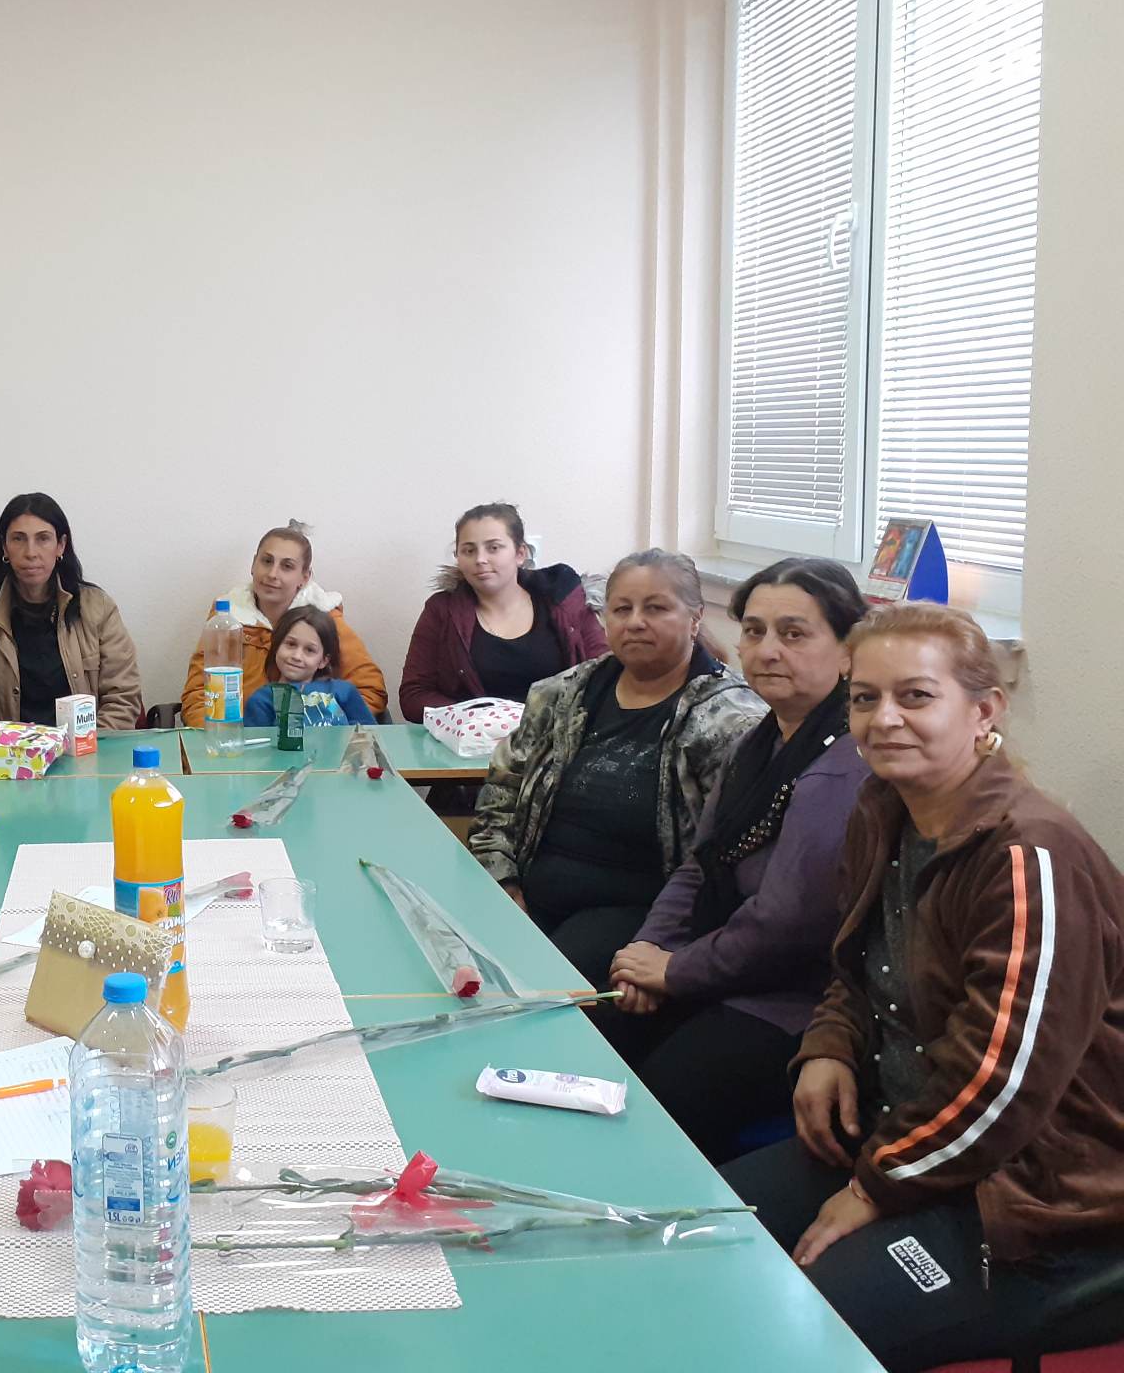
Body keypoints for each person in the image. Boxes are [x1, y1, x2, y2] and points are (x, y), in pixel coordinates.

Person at [723, 604, 1124, 1373]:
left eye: (915, 696)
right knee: (708, 1237)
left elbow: (1003, 1082)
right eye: (865, 698)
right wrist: (829, 1045)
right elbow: (857, 964)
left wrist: (876, 1189)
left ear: (984, 711)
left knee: (794, 1332)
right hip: (903, 1129)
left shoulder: (1029, 858)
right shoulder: (884, 810)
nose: (884, 720)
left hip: (1028, 1189)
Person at [597, 558, 870, 1161]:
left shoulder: (844, 766)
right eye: (754, 631)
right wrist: (648, 951)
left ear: (848, 650)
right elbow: (700, 864)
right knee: (598, 1031)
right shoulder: (761, 739)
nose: (768, 650)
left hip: (799, 1001)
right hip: (722, 962)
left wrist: (674, 971)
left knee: (660, 1101)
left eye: (794, 634)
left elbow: (784, 925)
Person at [467, 548, 762, 987]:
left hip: (639, 917)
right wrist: (503, 883)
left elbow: (722, 862)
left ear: (695, 618)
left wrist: (659, 947)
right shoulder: (560, 695)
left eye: (656, 608)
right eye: (622, 609)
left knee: (536, 988)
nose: (635, 622)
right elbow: (502, 792)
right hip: (529, 894)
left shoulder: (730, 722)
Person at [0, 492, 142, 730]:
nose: (31, 552)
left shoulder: (98, 608)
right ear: (4, 547)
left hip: (89, 748)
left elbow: (122, 698)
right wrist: (8, 746)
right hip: (9, 751)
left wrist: (86, 745)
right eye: (18, 539)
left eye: (43, 539)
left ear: (61, 545)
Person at [399, 502, 607, 719]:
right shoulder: (441, 610)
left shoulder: (566, 600)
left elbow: (606, 681)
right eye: (469, 550)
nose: (480, 559)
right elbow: (414, 696)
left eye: (494, 548)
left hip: (560, 734)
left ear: (520, 553)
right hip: (473, 736)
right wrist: (481, 718)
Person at [180, 523, 387, 726]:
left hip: (314, 742)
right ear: (253, 565)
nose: (272, 574)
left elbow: (369, 690)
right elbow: (198, 695)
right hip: (235, 738)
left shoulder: (322, 620)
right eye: (266, 561)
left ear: (304, 577)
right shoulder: (225, 620)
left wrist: (327, 728)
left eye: (287, 566)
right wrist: (224, 736)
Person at [242, 605, 376, 728]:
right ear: (276, 646)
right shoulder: (263, 700)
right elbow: (257, 744)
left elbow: (368, 734)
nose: (297, 656)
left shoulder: (343, 692)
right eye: (291, 644)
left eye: (310, 650)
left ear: (323, 661)